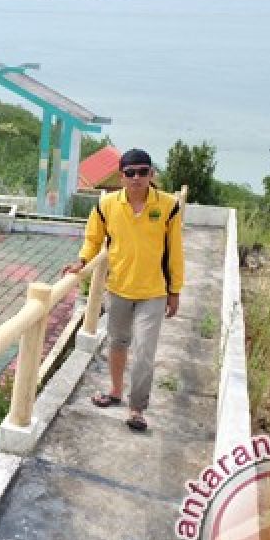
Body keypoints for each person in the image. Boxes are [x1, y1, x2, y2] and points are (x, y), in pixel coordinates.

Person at [64, 148, 184, 432]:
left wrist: (175, 290)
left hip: (154, 291)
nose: (137, 178)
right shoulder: (107, 205)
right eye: (130, 173)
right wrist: (81, 262)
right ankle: (116, 391)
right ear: (121, 177)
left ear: (152, 175)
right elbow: (93, 239)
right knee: (118, 344)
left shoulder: (168, 206)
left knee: (144, 351)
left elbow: (175, 251)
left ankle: (136, 408)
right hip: (118, 287)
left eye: (143, 172)